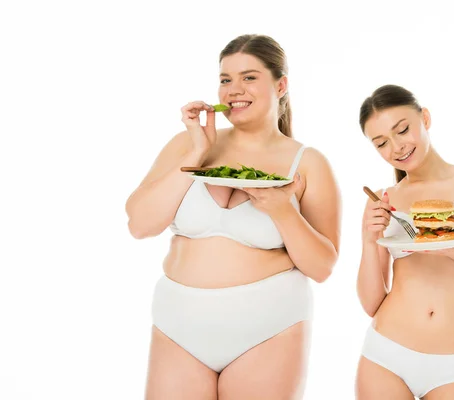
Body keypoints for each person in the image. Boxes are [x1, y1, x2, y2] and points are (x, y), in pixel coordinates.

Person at [125, 34, 341, 400]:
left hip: (268, 329)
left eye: (249, 77)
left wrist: (283, 211)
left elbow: (322, 267)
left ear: (281, 84)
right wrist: (197, 151)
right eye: (225, 79)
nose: (233, 90)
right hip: (179, 325)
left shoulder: (306, 163)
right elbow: (140, 224)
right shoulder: (187, 145)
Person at [355, 84, 454, 399]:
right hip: (385, 356)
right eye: (381, 143)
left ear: (424, 118)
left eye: (402, 130)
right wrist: (368, 240)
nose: (397, 147)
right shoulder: (385, 200)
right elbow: (372, 303)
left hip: (452, 366)